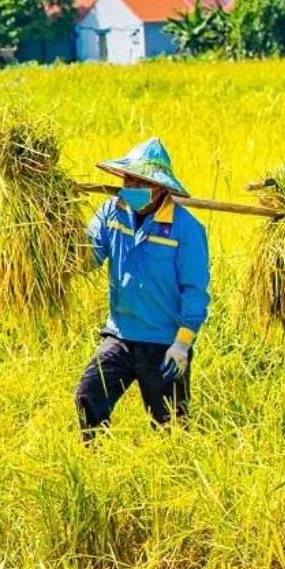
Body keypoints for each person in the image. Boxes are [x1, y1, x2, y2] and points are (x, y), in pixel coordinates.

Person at [75, 138, 211, 439]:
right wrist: (56, 228)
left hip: (164, 344)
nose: (131, 186)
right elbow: (87, 258)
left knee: (171, 426)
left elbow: (195, 291)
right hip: (120, 336)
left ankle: (175, 478)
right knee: (88, 396)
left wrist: (182, 345)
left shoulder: (186, 228)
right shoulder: (112, 212)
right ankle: (95, 463)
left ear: (161, 188)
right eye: (128, 179)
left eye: (141, 181)